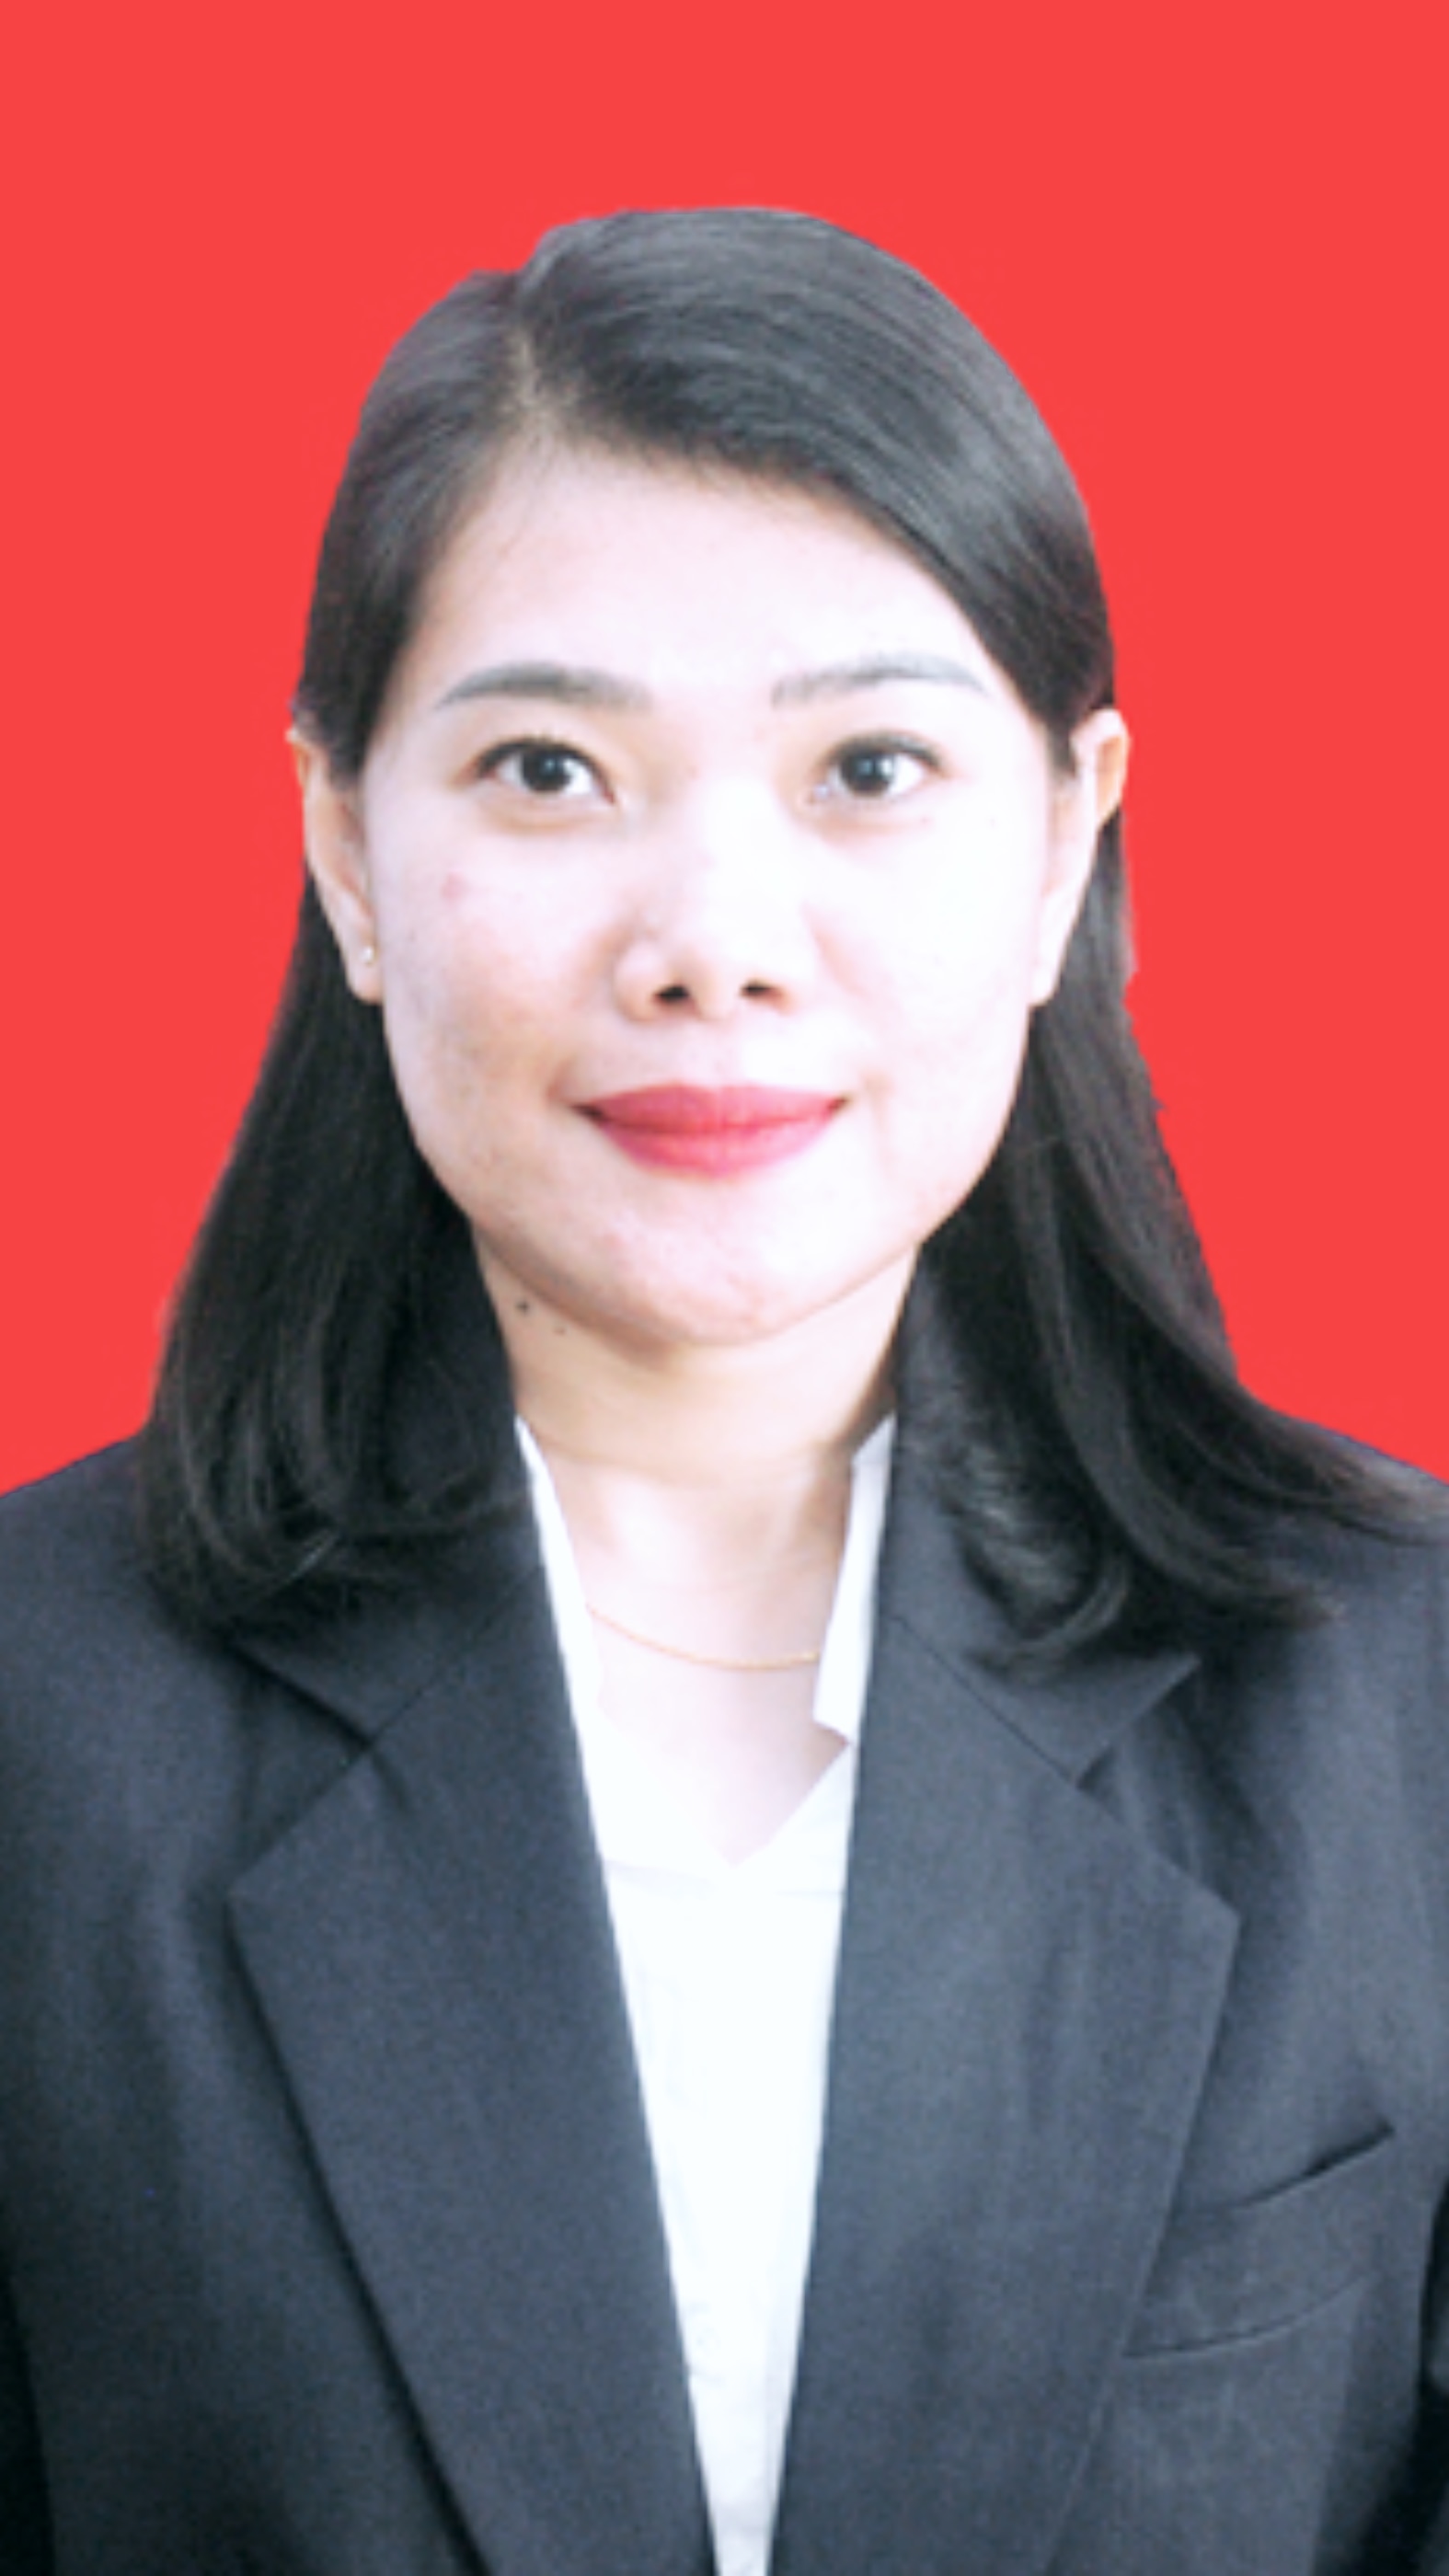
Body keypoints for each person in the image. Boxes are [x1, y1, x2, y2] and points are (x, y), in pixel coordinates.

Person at [0, 207, 1445, 2576]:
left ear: (1063, 839)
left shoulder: (1404, 1694)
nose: (711, 944)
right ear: (346, 851)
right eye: (548, 768)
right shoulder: (34, 1722)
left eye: (865, 765)